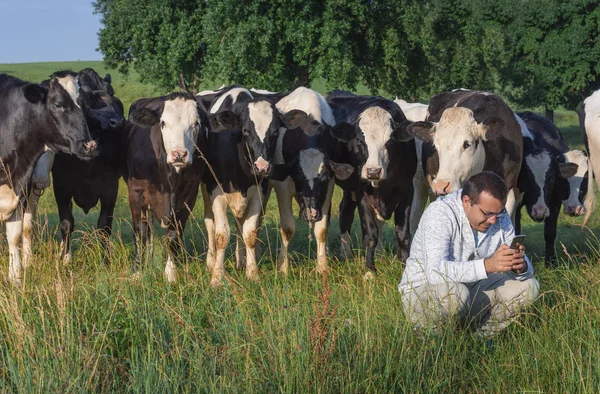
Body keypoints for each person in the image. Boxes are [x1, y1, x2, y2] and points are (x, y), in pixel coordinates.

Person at [399, 171, 539, 336]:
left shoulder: (497, 214)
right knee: (456, 294)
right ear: (467, 201)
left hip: (470, 291)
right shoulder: (440, 214)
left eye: (499, 213)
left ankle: (479, 337)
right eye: (487, 214)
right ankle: (431, 339)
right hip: (424, 293)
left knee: (530, 287)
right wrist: (488, 265)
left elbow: (526, 271)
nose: (494, 220)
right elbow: (435, 273)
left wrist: (519, 266)